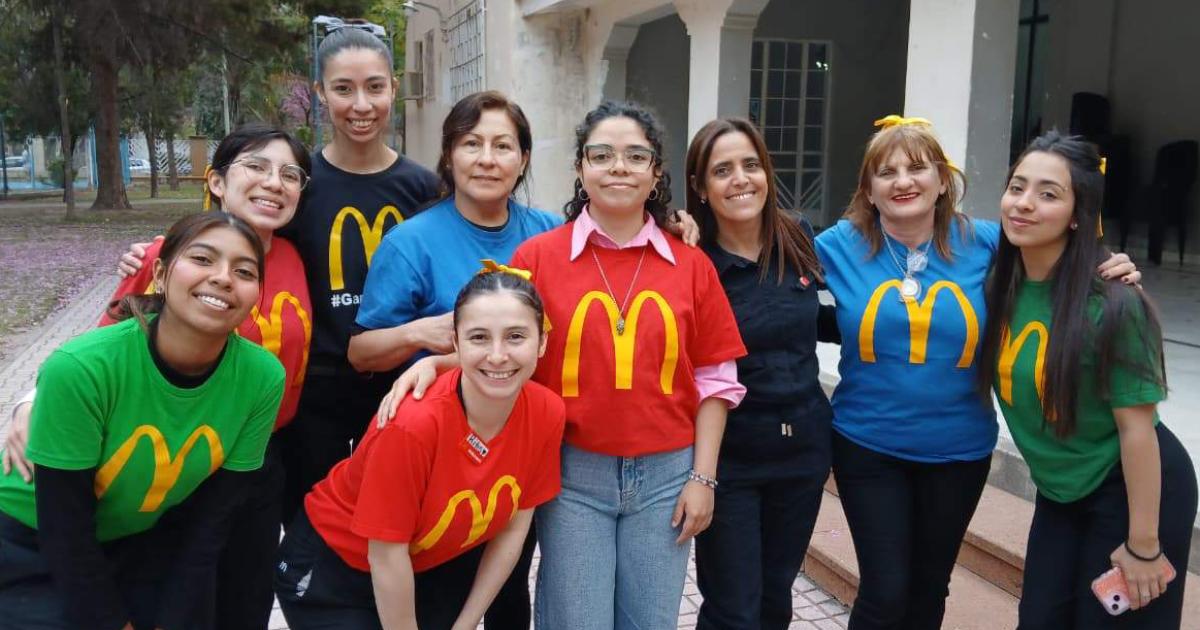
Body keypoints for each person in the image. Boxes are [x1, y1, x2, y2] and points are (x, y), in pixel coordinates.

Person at [814, 116, 1140, 630]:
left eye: (918, 168)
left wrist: (1111, 267)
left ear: (943, 180)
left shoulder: (987, 242)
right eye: (887, 172)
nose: (903, 181)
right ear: (869, 190)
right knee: (884, 591)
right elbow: (760, 260)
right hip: (867, 446)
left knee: (929, 589)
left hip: (959, 452)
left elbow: (1059, 256)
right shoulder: (836, 245)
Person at [4, 123, 312, 629]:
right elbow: (99, 348)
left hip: (240, 454)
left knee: (232, 599)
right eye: (256, 166)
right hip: (131, 480)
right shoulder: (159, 255)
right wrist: (30, 399)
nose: (274, 182)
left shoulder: (299, 259)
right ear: (216, 180)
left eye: (289, 173)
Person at [501, 100, 746, 629]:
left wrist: (703, 477)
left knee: (649, 623)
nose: (619, 167)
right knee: (575, 620)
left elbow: (716, 380)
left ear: (656, 172)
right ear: (579, 168)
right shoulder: (536, 259)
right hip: (571, 473)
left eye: (636, 156)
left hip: (667, 476)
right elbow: (503, 360)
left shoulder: (692, 264)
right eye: (602, 154)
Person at [345, 90, 559, 628]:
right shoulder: (410, 242)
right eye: (471, 144)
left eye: (503, 146)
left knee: (509, 591)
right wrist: (425, 338)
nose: (487, 159)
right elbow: (360, 351)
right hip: (440, 463)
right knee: (439, 599)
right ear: (449, 155)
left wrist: (670, 220)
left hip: (519, 451)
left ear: (524, 159)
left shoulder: (551, 234)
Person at [976, 131, 1196, 629]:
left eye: (1048, 194)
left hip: (1134, 486)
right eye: (1017, 187)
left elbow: (1137, 430)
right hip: (1061, 493)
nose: (1024, 204)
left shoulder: (1111, 303)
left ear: (1078, 214)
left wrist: (1144, 544)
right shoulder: (997, 282)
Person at [274, 268, 565, 630]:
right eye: (478, 337)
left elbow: (513, 531)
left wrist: (468, 622)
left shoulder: (547, 412)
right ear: (456, 344)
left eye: (516, 336)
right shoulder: (413, 425)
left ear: (542, 343)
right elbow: (385, 553)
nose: (497, 355)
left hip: (426, 566)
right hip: (336, 569)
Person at [684, 117, 838, 630]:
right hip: (733, 458)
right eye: (722, 170)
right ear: (702, 189)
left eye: (751, 165)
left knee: (775, 600)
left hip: (803, 452)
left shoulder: (798, 236)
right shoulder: (692, 260)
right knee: (734, 608)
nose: (740, 179)